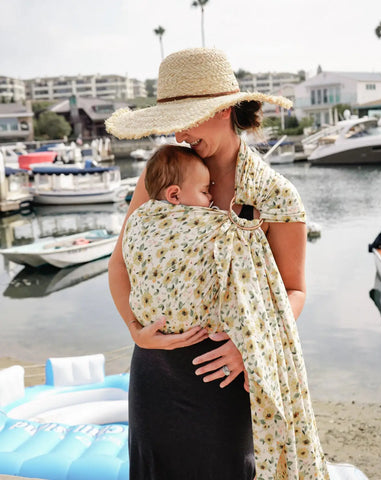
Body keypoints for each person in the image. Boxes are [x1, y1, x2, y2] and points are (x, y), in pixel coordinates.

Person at [106, 48, 329, 480]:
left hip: (230, 373)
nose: (181, 133)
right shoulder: (162, 178)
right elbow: (120, 264)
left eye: (190, 118)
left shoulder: (275, 195)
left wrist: (249, 348)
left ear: (225, 110)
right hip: (155, 373)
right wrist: (135, 331)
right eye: (175, 122)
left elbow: (294, 290)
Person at [144, 144, 212, 207]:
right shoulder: (196, 217)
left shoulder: (142, 213)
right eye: (204, 192)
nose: (210, 197)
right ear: (174, 196)